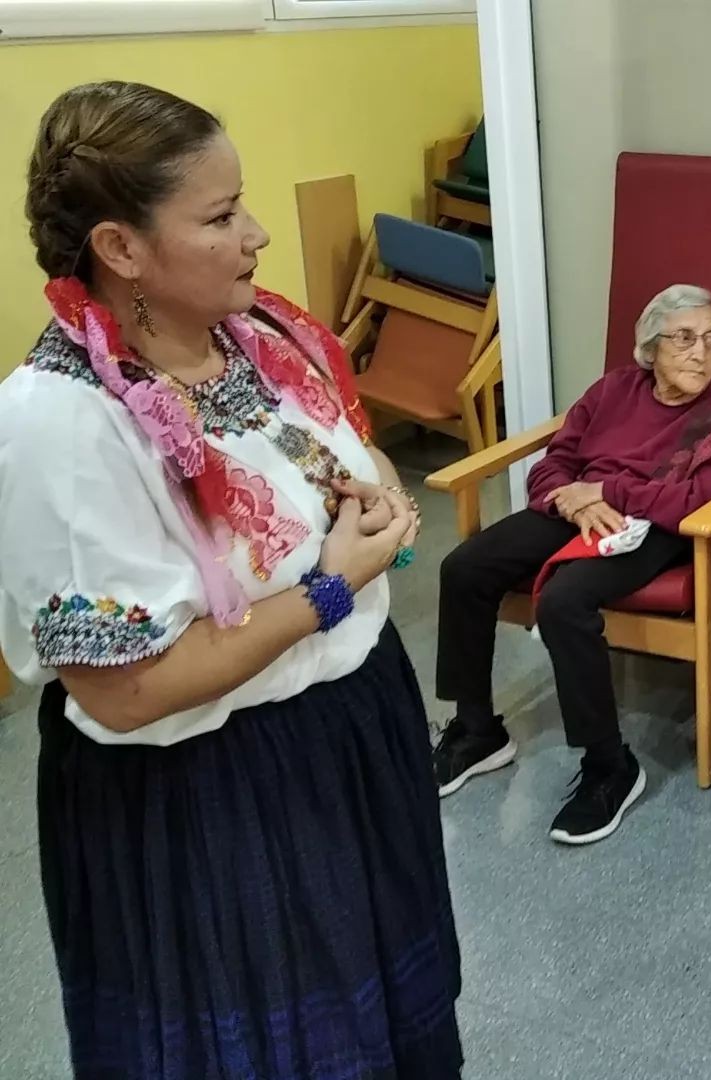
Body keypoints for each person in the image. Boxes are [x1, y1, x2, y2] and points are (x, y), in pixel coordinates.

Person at [0, 82, 463, 1077]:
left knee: (387, 1028)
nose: (256, 234)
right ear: (120, 248)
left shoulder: (260, 337)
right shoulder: (63, 423)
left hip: (351, 738)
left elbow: (355, 454)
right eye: (219, 217)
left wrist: (378, 502)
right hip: (217, 795)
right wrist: (330, 588)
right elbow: (124, 690)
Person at [434, 284, 711, 844]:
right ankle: (477, 730)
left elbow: (697, 499)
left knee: (564, 601)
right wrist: (571, 500)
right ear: (650, 347)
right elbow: (554, 463)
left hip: (656, 527)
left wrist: (605, 491)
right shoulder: (612, 390)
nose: (702, 352)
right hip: (577, 507)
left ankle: (610, 766)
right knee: (464, 567)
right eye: (684, 338)